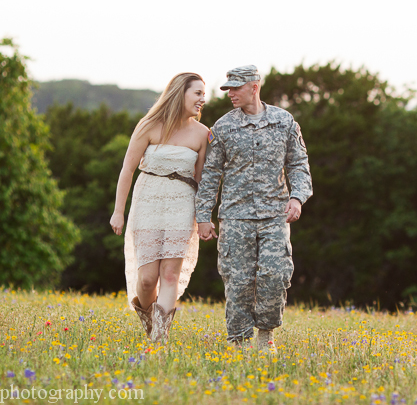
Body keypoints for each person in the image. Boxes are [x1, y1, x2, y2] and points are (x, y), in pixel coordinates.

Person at [195, 65, 313, 353]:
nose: (230, 93)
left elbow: (298, 165)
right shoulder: (222, 127)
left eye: (236, 88)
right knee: (238, 282)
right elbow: (210, 175)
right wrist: (203, 216)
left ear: (254, 87)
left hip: (274, 215)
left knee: (275, 275)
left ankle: (265, 336)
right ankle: (238, 341)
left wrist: (297, 198)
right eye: (228, 89)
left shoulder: (284, 122)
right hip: (235, 217)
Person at [109, 72, 209, 344]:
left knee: (169, 274)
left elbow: (202, 182)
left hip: (182, 205)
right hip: (148, 202)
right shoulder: (149, 125)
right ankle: (150, 324)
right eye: (197, 93)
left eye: (204, 93)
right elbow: (127, 169)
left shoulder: (203, 134)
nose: (203, 98)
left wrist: (203, 218)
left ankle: (159, 340)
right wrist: (119, 210)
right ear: (180, 93)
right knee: (147, 279)